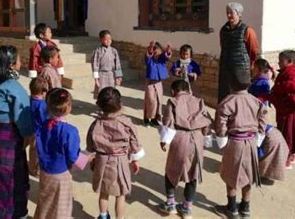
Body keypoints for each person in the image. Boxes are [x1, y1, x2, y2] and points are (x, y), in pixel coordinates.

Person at [0, 45, 33, 219]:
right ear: (10, 65)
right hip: (11, 137)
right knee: (12, 176)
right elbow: (23, 117)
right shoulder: (14, 88)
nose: (21, 61)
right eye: (18, 59)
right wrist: (28, 135)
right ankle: (15, 213)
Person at [214, 69, 266, 219]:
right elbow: (263, 119)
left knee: (231, 175)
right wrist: (259, 137)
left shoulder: (228, 101)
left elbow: (221, 123)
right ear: (248, 84)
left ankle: (231, 208)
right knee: (249, 175)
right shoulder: (255, 101)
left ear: (231, 85)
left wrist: (222, 141)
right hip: (251, 142)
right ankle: (245, 208)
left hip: (235, 142)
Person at [86, 87, 145, 219]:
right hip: (120, 162)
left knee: (103, 192)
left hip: (101, 161)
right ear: (120, 104)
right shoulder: (126, 123)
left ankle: (103, 215)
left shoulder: (96, 124)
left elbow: (90, 147)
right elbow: (135, 142)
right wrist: (135, 159)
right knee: (120, 194)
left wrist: (83, 161)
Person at [34, 88, 93, 219]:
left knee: (46, 200)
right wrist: (88, 158)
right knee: (61, 205)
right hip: (61, 173)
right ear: (68, 108)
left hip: (45, 170)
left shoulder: (42, 126)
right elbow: (73, 156)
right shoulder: (69, 131)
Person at [158, 80, 212, 217]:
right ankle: (187, 208)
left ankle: (170, 204)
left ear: (173, 91)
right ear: (189, 89)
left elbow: (168, 121)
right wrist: (206, 138)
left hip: (180, 138)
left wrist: (164, 141)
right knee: (193, 173)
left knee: (171, 170)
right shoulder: (199, 101)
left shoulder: (172, 102)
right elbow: (207, 121)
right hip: (197, 138)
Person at [218, 2, 259, 104]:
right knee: (225, 95)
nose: (229, 15)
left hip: (241, 69)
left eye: (231, 13)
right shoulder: (223, 30)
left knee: (240, 97)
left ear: (238, 13)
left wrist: (250, 64)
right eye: (227, 13)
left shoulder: (247, 30)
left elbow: (253, 49)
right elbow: (223, 47)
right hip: (226, 68)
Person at [144, 41, 172, 126]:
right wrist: (150, 48)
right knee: (150, 101)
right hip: (150, 83)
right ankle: (147, 118)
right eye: (154, 51)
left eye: (158, 51)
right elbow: (148, 54)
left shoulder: (162, 60)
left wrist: (168, 51)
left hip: (159, 83)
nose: (156, 53)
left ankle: (155, 118)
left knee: (159, 101)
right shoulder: (149, 60)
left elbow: (166, 56)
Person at [28, 77, 49, 177]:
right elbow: (45, 120)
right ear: (43, 92)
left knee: (32, 151)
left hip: (30, 130)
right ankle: (36, 170)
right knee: (39, 152)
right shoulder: (42, 105)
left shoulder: (29, 100)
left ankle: (32, 168)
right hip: (40, 133)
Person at [91, 30, 123, 99]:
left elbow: (117, 64)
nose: (108, 41)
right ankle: (101, 107)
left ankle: (110, 106)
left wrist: (118, 76)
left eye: (110, 39)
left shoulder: (114, 51)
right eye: (106, 39)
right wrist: (96, 79)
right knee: (102, 92)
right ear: (101, 40)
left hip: (111, 74)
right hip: (102, 75)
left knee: (111, 92)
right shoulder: (97, 51)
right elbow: (95, 65)